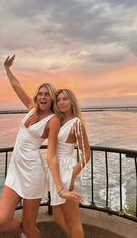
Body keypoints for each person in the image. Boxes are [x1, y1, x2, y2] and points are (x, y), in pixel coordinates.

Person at [0, 55, 81, 238]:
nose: (42, 97)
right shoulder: (32, 107)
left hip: (33, 173)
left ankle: (28, 230)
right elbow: (17, 86)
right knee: (0, 221)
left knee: (30, 226)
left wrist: (60, 188)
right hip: (15, 169)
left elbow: (50, 155)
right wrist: (7, 69)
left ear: (52, 99)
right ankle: (25, 230)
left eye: (47, 94)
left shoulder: (53, 120)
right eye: (40, 93)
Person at [47, 89, 91, 238]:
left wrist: (72, 174)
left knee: (73, 220)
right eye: (58, 100)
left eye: (65, 99)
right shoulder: (57, 120)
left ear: (72, 101)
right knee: (58, 218)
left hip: (67, 170)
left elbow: (86, 154)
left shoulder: (76, 123)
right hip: (55, 171)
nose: (61, 102)